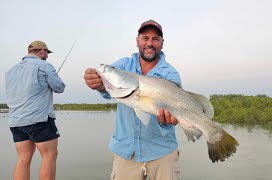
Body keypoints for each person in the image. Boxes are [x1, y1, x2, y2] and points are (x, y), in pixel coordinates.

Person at [84, 20, 181, 180]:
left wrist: (166, 120)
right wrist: (99, 84)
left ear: (162, 43)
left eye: (155, 39)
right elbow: (108, 86)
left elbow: (171, 116)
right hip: (125, 151)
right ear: (137, 41)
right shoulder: (123, 65)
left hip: (162, 151)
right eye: (145, 38)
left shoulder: (171, 74)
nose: (150, 43)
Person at [5, 40, 65, 180]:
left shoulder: (11, 70)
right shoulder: (44, 65)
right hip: (40, 121)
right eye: (47, 53)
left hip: (16, 122)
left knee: (23, 159)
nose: (47, 56)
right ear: (42, 51)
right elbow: (59, 88)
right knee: (49, 157)